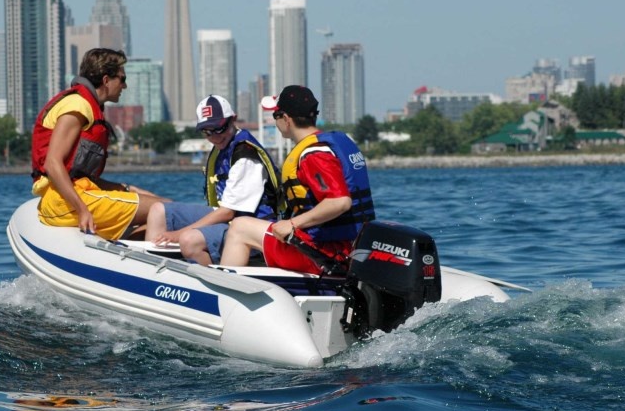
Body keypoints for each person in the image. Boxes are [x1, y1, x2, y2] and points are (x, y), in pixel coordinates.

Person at [219, 85, 375, 274]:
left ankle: (224, 287)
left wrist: (292, 224)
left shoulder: (313, 155)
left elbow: (340, 201)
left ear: (286, 119)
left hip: (322, 255)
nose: (275, 121)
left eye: (275, 115)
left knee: (239, 227)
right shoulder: (328, 145)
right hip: (347, 250)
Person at [31, 47, 167, 240]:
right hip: (62, 202)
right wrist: (82, 210)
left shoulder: (87, 106)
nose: (125, 86)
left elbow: (79, 176)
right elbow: (53, 163)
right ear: (106, 80)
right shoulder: (77, 105)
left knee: (163, 206)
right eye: (122, 79)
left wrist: (126, 189)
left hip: (72, 196)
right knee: (168, 211)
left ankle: (132, 252)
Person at [144, 95, 279, 265]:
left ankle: (209, 278)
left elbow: (227, 212)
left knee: (188, 240)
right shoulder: (223, 147)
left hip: (252, 228)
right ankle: (152, 270)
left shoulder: (245, 155)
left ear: (233, 120)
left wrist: (177, 234)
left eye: (219, 129)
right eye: (207, 132)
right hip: (230, 218)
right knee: (158, 211)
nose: (214, 137)